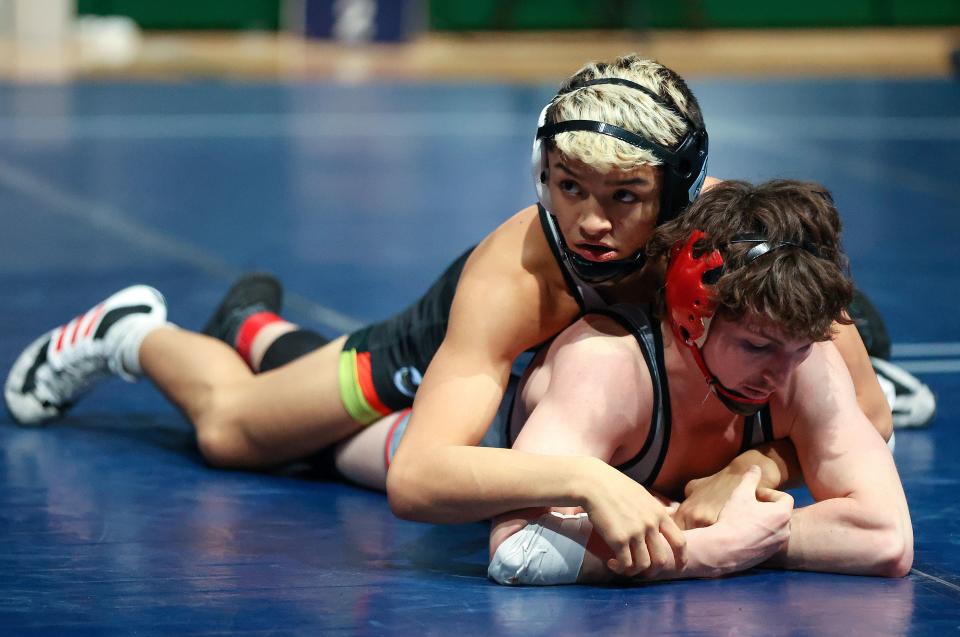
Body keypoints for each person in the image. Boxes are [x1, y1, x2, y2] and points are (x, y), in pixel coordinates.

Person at [3, 55, 903, 578]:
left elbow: (869, 421)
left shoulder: (730, 252)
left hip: (581, 389)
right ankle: (132, 333)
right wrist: (590, 483)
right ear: (539, 176)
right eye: (567, 187)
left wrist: (753, 455)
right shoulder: (517, 273)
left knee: (855, 336)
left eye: (624, 196)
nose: (591, 220)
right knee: (240, 433)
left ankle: (257, 327)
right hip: (441, 343)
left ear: (679, 193)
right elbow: (424, 479)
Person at [479, 179, 912, 584]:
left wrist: (758, 535)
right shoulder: (603, 367)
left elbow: (886, 538)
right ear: (694, 317)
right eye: (756, 348)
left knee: (856, 338)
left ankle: (877, 364)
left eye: (798, 349)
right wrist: (709, 551)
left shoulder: (805, 354)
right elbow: (521, 551)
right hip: (522, 299)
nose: (781, 375)